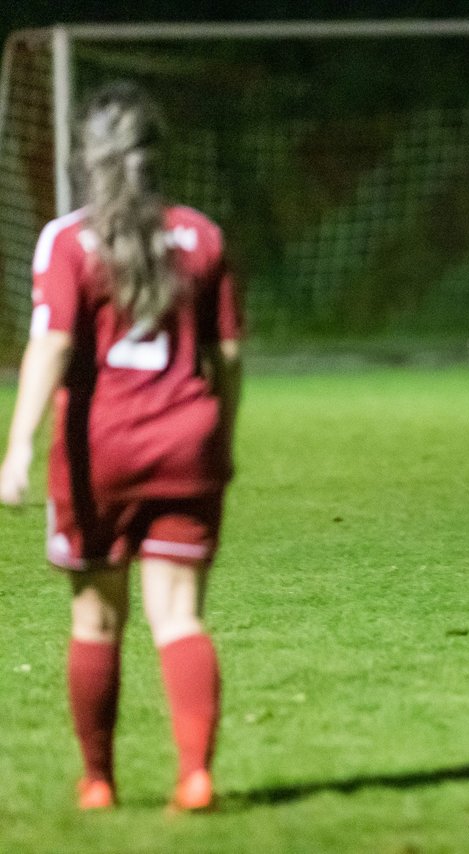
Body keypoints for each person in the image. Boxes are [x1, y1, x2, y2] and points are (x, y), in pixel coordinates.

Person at [0, 81, 242, 811]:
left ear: (89, 158)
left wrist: (16, 450)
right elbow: (227, 357)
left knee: (95, 619)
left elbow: (54, 343)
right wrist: (219, 440)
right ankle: (195, 774)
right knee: (178, 616)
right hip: (186, 442)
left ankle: (99, 781)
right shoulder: (201, 235)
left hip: (98, 450)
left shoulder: (70, 239)